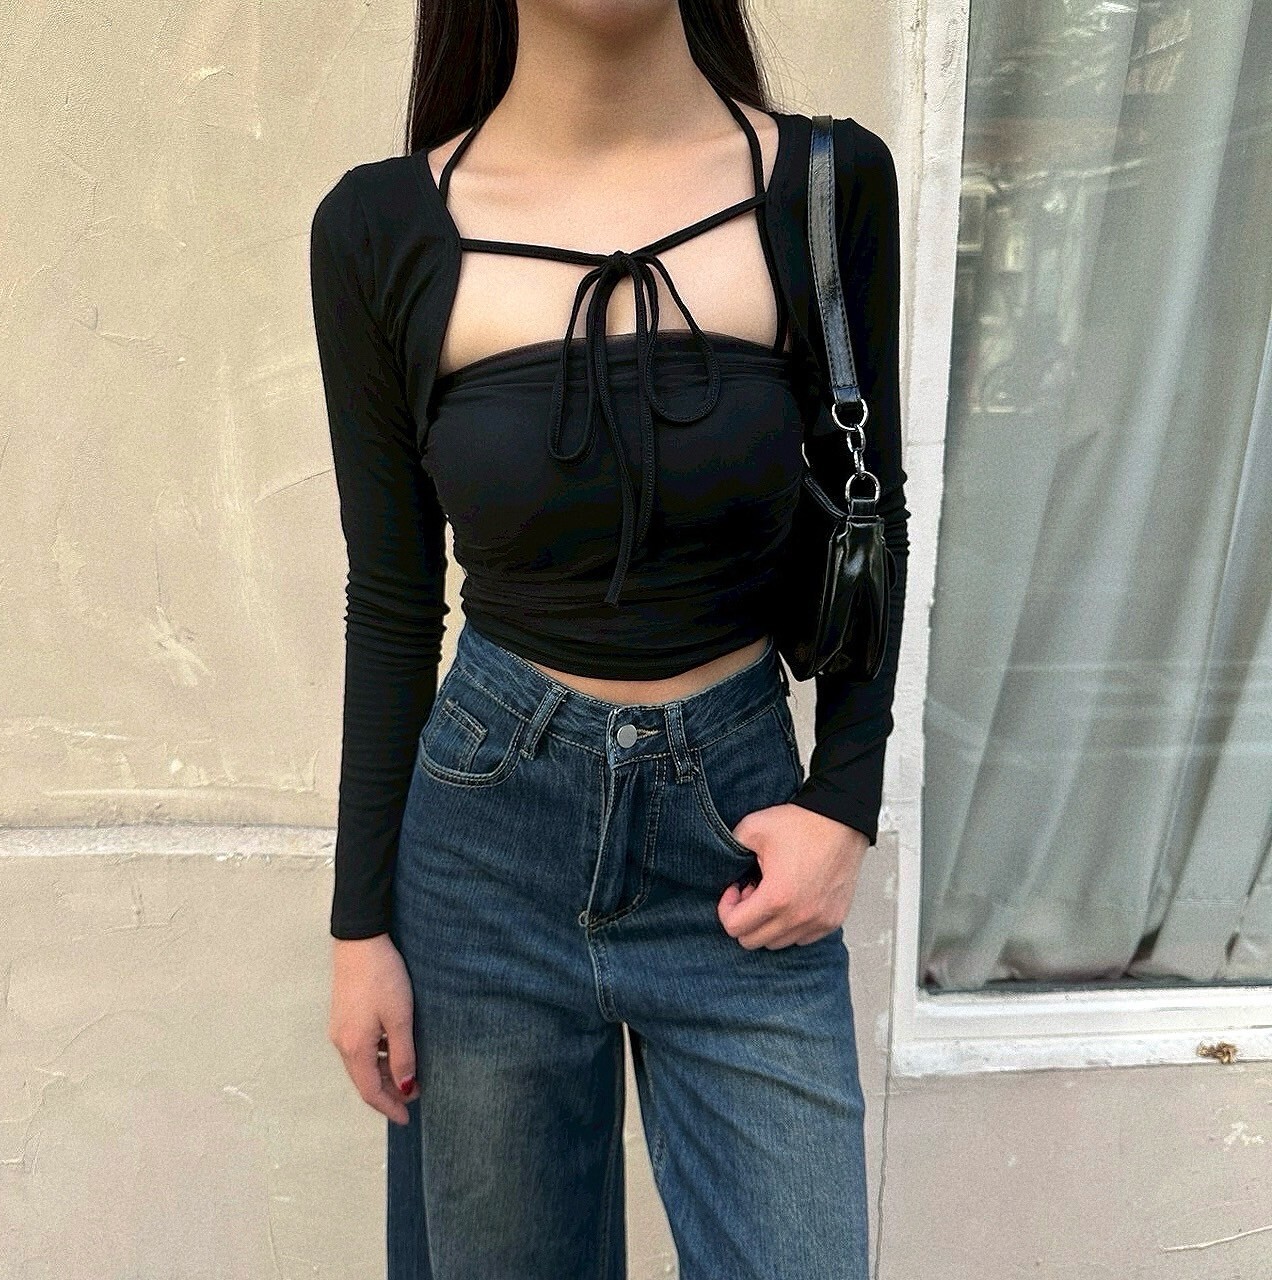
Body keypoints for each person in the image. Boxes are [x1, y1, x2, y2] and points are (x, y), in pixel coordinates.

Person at [308, 2, 908, 1276]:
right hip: (484, 852)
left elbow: (872, 506)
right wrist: (360, 927)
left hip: (740, 841)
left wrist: (843, 802)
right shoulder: (381, 225)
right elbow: (393, 599)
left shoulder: (820, 184)